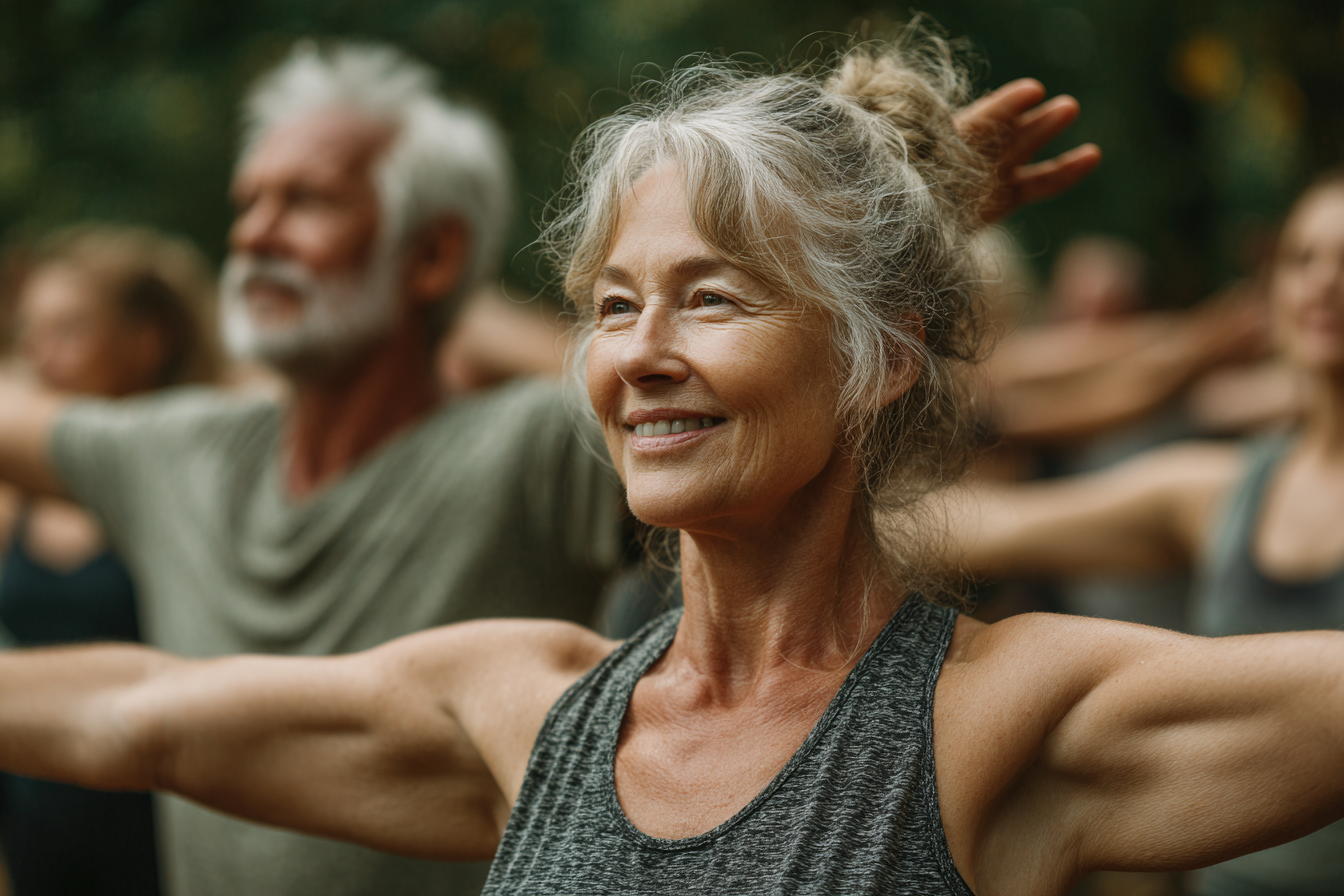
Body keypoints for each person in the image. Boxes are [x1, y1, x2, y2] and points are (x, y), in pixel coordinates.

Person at [0, 33, 1337, 896]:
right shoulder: (524, 707)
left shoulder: (999, 718)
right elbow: (144, 712)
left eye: (711, 298)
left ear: (882, 357)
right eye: (614, 304)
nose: (638, 353)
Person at [0, 41, 633, 896]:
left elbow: (676, 377)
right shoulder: (182, 450)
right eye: (249, 201)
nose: (254, 234)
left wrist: (465, 305)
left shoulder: (531, 448)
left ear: (434, 254)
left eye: (306, 202)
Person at [942, 168, 1344, 894]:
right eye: (1303, 258)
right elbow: (957, 526)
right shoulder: (1216, 489)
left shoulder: (1202, 404)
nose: (1325, 282)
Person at [0, 224, 220, 896]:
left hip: (164, 827)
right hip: (34, 829)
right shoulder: (13, 495)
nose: (41, 354)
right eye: (29, 330)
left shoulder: (201, 477)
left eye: (68, 329)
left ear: (145, 342)